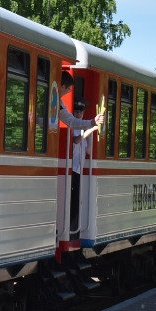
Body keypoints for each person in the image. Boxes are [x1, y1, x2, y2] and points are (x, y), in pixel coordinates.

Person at [70, 98, 92, 233]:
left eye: (80, 112)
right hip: (71, 169)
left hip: (79, 169)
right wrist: (88, 131)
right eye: (76, 112)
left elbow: (89, 151)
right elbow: (76, 141)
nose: (78, 114)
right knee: (72, 200)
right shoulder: (72, 127)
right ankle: (71, 228)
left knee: (77, 200)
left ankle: (75, 227)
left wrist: (89, 136)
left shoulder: (83, 129)